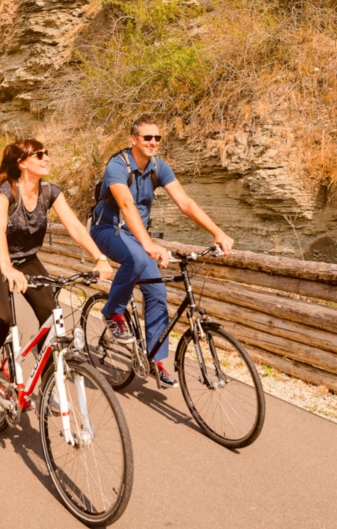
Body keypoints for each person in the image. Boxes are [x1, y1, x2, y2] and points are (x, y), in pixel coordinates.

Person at [90, 114, 233, 388]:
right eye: (147, 137)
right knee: (137, 257)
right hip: (109, 230)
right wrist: (149, 244)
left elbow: (185, 202)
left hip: (137, 234)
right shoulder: (117, 166)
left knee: (157, 293)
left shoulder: (158, 167)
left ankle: (154, 358)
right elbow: (126, 205)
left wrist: (217, 231)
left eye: (157, 138)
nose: (154, 142)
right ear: (134, 140)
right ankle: (112, 312)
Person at [0, 138, 113, 410]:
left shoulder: (50, 191)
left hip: (26, 259)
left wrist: (100, 257)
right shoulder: (5, 191)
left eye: (47, 153)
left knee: (52, 318)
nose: (46, 157)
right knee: (1, 321)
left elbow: (74, 226)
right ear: (22, 163)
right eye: (39, 155)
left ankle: (49, 381)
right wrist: (7, 268)